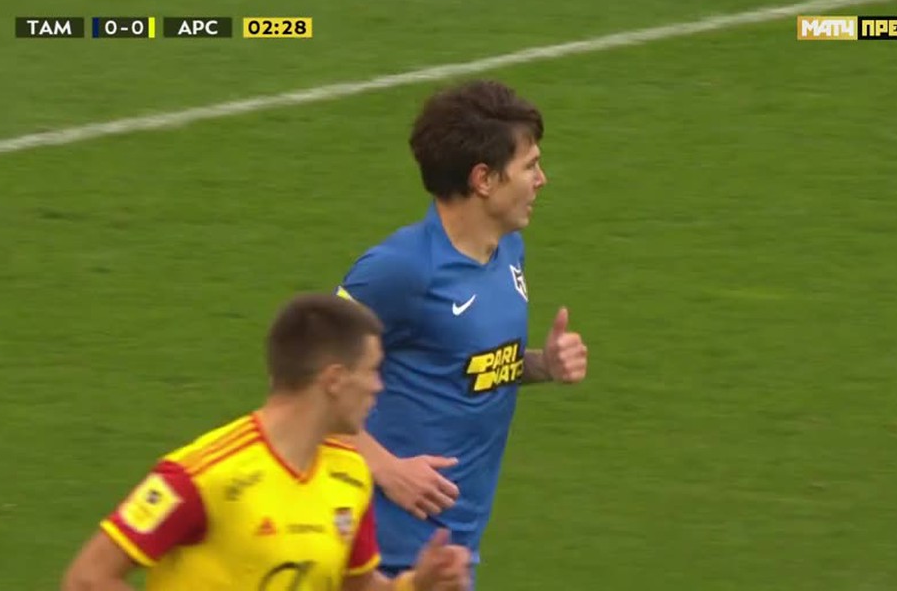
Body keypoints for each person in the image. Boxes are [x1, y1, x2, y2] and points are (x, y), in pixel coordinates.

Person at [335, 80, 589, 583]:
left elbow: (469, 365)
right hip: (382, 554)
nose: (542, 180)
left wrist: (543, 364)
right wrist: (386, 467)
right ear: (484, 179)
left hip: (452, 551)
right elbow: (304, 383)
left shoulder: (506, 250)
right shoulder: (400, 269)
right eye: (530, 166)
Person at [62, 293, 471, 591]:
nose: (379, 386)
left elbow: (357, 587)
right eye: (373, 370)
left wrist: (417, 583)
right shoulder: (203, 475)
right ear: (334, 380)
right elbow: (87, 579)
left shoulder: (350, 473)